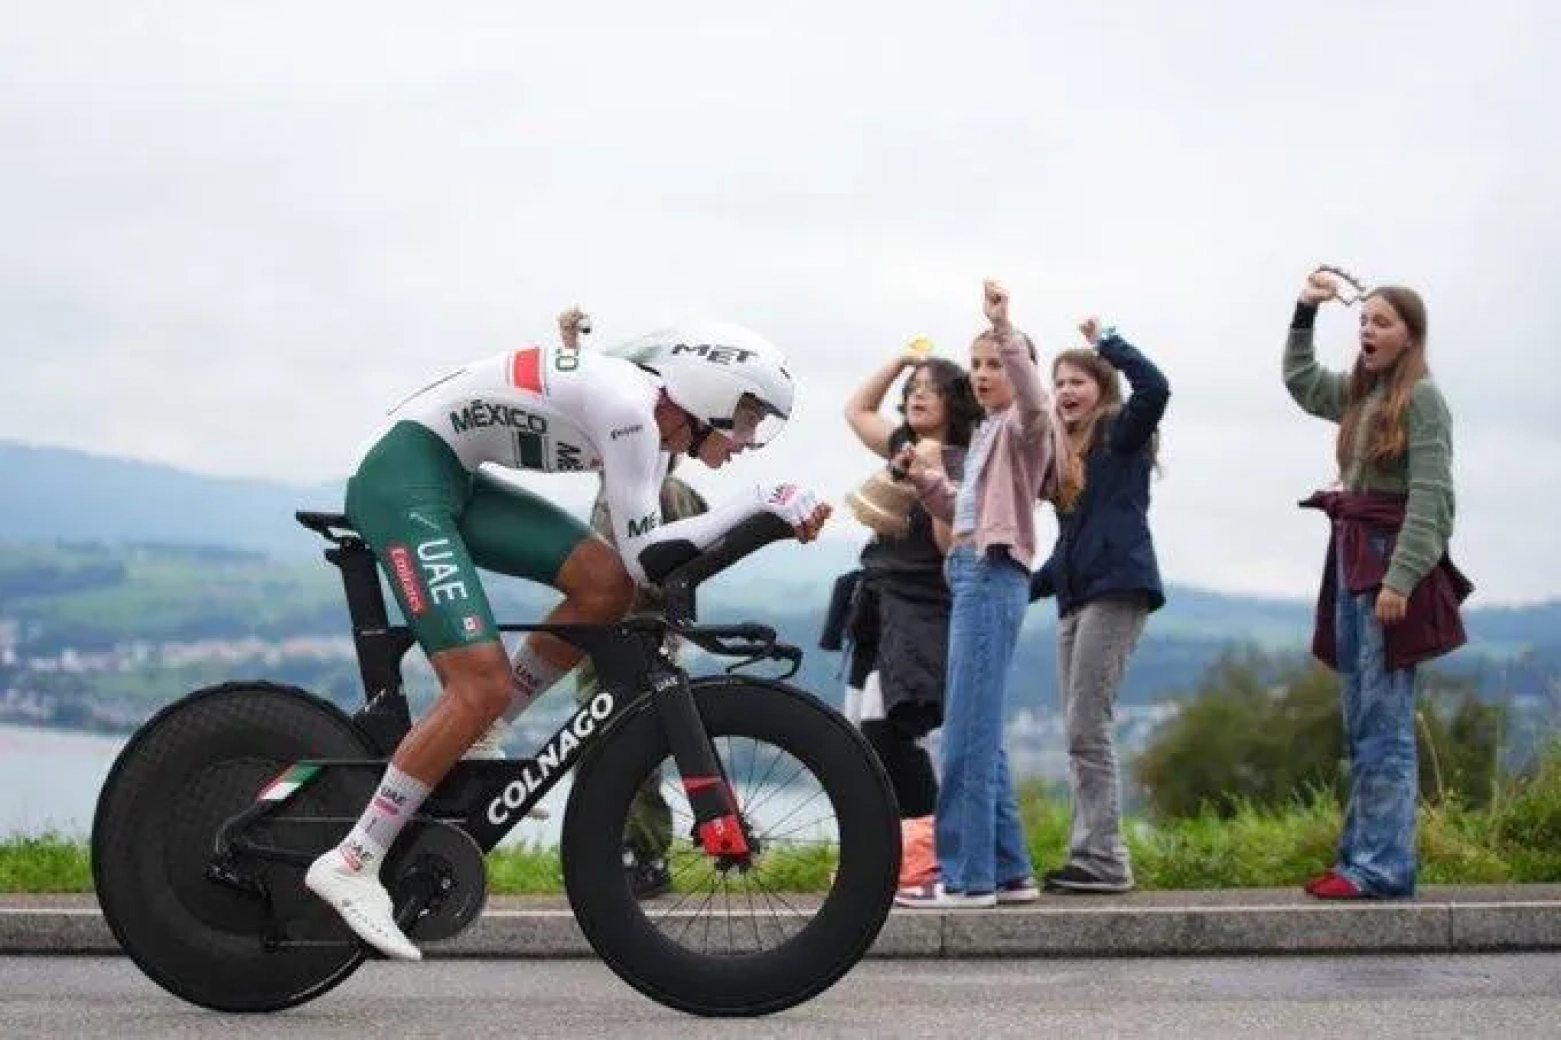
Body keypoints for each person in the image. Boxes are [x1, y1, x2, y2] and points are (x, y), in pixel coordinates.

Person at [304, 307, 832, 959]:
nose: (751, 438)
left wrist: (766, 516)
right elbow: (653, 559)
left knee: (602, 585)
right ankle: (354, 861)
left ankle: (480, 733)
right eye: (750, 416)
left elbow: (633, 575)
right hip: (404, 477)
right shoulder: (632, 412)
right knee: (478, 684)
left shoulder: (639, 412)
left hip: (450, 476)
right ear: (709, 392)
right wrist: (759, 503)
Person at [1285, 268, 1470, 900]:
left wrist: (1402, 578)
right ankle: (1360, 859)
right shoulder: (1364, 396)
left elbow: (1434, 498)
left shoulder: (1423, 399)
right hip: (1352, 556)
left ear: (1410, 336)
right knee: (1361, 715)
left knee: (1385, 720)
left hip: (1389, 565)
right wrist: (1305, 311)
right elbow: (1303, 384)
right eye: (1365, 320)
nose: (1368, 329)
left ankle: (1384, 867)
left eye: (1382, 322)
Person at [892, 280, 1064, 909]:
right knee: (981, 734)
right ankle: (1011, 871)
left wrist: (1004, 328)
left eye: (997, 364)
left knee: (963, 732)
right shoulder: (991, 432)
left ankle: (966, 878)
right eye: (979, 364)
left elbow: (1041, 409)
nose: (986, 374)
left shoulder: (1025, 426)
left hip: (991, 575)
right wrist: (925, 480)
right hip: (971, 571)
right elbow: (959, 511)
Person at [1029, 318, 1171, 894]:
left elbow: (1157, 388)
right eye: (1058, 382)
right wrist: (1020, 585)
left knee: (1090, 725)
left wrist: (1109, 342)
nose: (1066, 390)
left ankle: (1105, 859)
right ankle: (1090, 854)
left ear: (1102, 388)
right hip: (1077, 596)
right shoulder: (1067, 459)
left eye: (1078, 381)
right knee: (1078, 730)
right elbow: (1068, 548)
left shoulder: (1121, 433)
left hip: (1117, 590)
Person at [840, 348, 981, 818]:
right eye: (913, 388)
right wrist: (899, 362)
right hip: (876, 603)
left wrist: (931, 476)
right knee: (862, 730)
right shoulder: (900, 443)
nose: (919, 394)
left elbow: (949, 548)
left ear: (954, 402)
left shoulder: (962, 462)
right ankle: (893, 845)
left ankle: (922, 842)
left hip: (922, 606)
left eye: (932, 388)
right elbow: (857, 411)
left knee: (894, 728)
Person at [574, 462, 709, 900]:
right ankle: (620, 851)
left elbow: (681, 562)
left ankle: (636, 854)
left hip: (631, 634)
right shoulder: (653, 490)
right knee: (612, 744)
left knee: (623, 745)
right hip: (625, 632)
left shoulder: (658, 491)